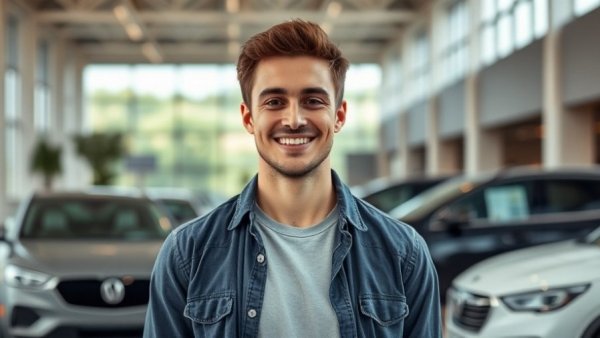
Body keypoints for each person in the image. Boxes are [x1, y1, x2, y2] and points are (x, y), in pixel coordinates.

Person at [144, 19, 442, 338]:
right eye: (274, 102)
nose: (294, 119)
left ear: (338, 116)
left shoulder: (403, 252)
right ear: (249, 118)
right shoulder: (188, 252)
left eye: (313, 100)